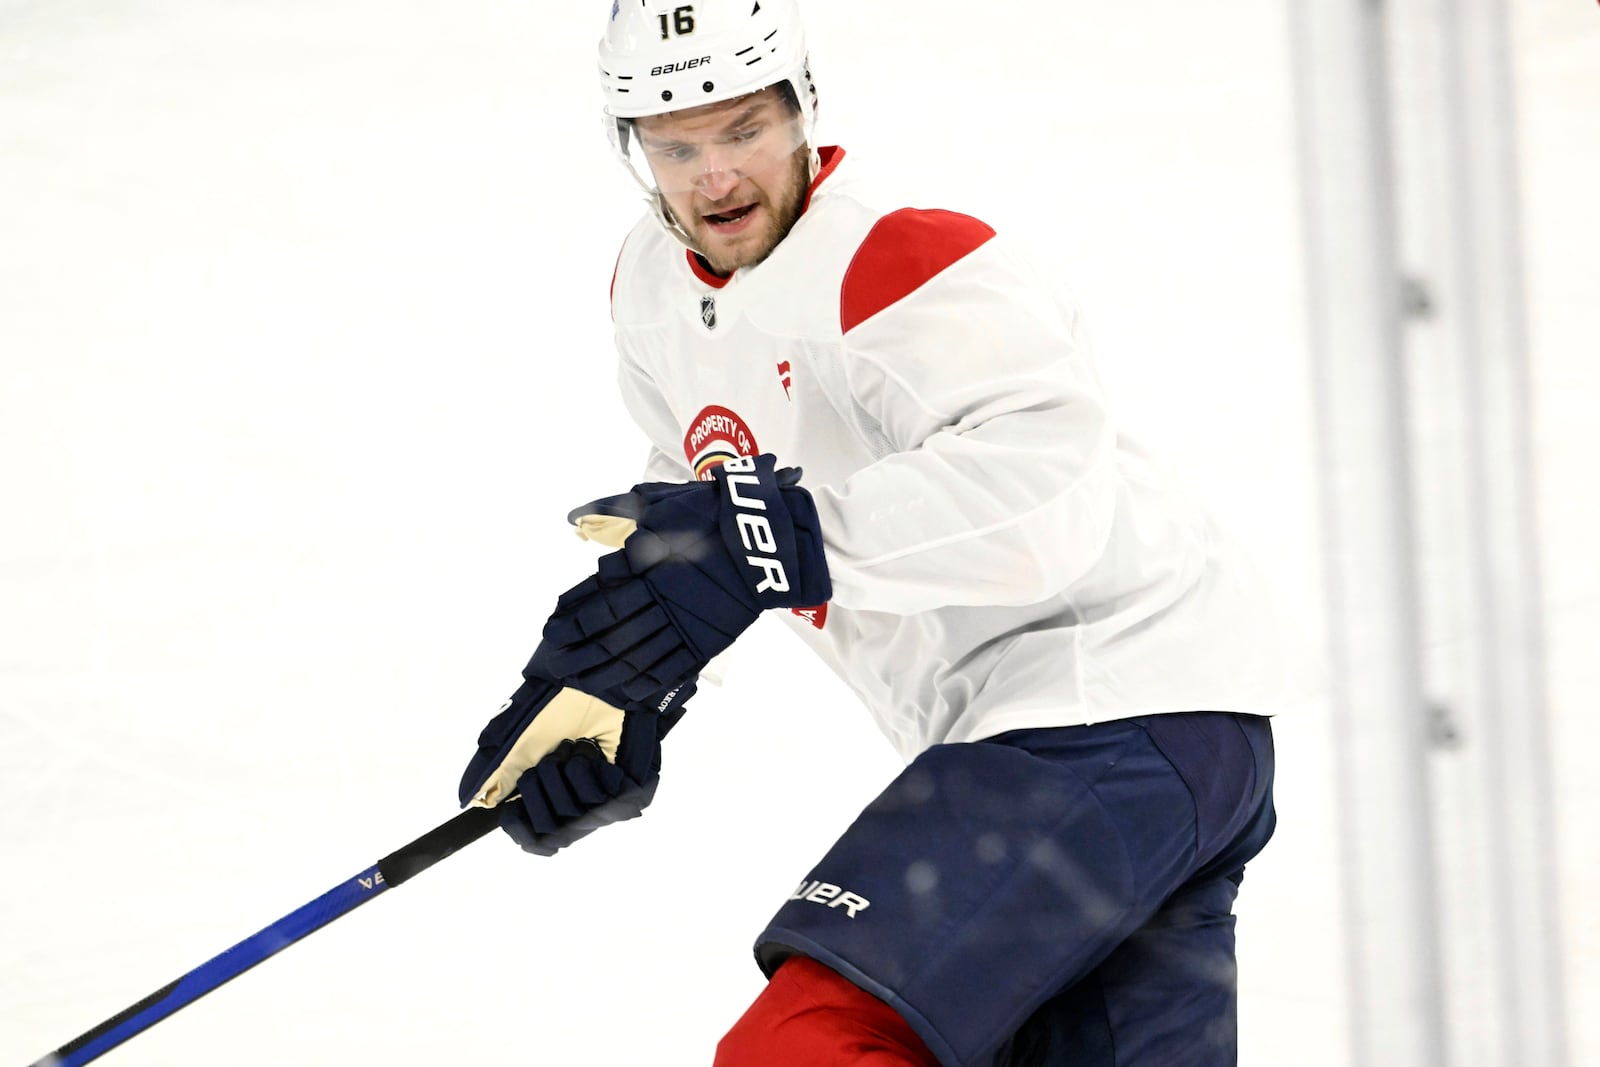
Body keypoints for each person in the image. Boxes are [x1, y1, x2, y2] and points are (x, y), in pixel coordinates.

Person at [457, 1, 1284, 1063]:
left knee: (804, 1049)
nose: (716, 178)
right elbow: (692, 506)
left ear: (801, 109)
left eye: (746, 129)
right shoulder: (651, 289)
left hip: (1105, 703)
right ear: (632, 147)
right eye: (676, 146)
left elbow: (1042, 497)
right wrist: (611, 692)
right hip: (1131, 747)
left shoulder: (902, 258)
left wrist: (766, 541)